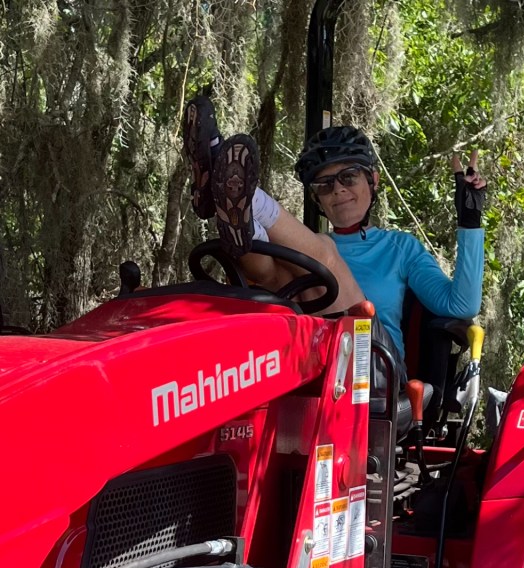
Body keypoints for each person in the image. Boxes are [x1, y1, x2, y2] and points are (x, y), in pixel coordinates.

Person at [183, 99, 486, 379]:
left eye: (349, 177)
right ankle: (232, 202)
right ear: (318, 199)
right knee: (273, 269)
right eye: (325, 185)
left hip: (374, 372)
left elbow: (460, 306)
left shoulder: (400, 248)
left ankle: (245, 196)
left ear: (373, 180)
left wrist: (470, 223)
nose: (338, 190)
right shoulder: (303, 246)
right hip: (301, 369)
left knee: (318, 253)